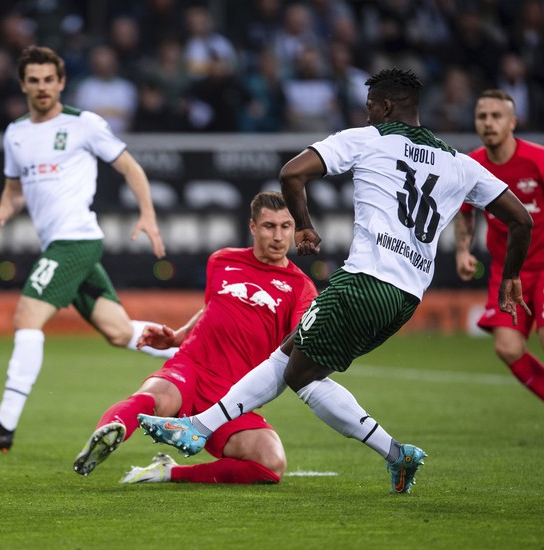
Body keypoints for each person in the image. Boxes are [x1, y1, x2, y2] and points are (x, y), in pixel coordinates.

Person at [138, 68, 533, 494]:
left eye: (369, 109)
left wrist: (305, 226)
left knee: (287, 366)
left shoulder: (366, 140)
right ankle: (397, 455)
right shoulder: (459, 162)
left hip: (363, 281)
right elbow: (521, 220)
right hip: (405, 299)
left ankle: (198, 428)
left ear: (382, 107)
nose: (366, 116)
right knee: (301, 370)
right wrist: (510, 276)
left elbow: (292, 173)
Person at [0, 46, 175, 452]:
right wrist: (1, 213)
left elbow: (130, 167)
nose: (41, 87)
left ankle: (4, 425)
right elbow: (14, 192)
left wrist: (148, 214)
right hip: (61, 243)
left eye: (48, 80)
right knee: (119, 331)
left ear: (61, 83)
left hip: (76, 240)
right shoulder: (15, 133)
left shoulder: (84, 124)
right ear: (22, 84)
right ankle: (202, 355)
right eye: (33, 80)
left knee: (27, 316)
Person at [73, 191, 317, 484]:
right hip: (192, 367)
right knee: (153, 399)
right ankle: (107, 433)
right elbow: (212, 308)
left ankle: (168, 472)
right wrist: (177, 337)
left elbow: (299, 341)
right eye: (269, 226)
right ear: (253, 227)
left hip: (237, 393)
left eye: (286, 226)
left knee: (271, 464)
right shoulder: (222, 260)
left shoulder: (300, 287)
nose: (278, 236)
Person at [455, 89, 544, 402]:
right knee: (507, 347)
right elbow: (465, 215)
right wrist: (463, 251)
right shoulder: (472, 166)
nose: (488, 123)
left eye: (496, 116)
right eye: (482, 117)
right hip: (508, 269)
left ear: (513, 122)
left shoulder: (538, 160)